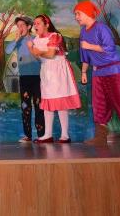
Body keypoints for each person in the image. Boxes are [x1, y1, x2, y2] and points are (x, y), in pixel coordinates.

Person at [74, 0, 120, 145]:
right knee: (99, 103)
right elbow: (85, 55)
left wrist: (90, 46)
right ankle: (101, 137)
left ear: (87, 13)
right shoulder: (83, 32)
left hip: (112, 69)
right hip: (97, 72)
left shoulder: (101, 28)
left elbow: (109, 48)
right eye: (75, 14)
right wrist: (84, 72)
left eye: (78, 14)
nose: (76, 17)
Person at [27, 14, 81, 143]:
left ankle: (65, 135)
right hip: (46, 70)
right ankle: (48, 134)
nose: (35, 26)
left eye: (38, 23)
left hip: (58, 69)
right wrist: (32, 49)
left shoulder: (55, 36)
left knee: (60, 101)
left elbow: (51, 54)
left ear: (46, 24)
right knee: (47, 102)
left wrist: (36, 50)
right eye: (34, 24)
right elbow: (38, 57)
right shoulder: (36, 39)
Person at [5, 16, 45, 143]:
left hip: (38, 77)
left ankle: (42, 135)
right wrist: (16, 39)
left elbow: (42, 57)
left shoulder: (35, 39)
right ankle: (28, 136)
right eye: (18, 26)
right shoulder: (18, 41)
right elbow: (7, 51)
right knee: (25, 107)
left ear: (29, 26)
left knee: (39, 106)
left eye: (22, 25)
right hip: (24, 78)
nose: (20, 28)